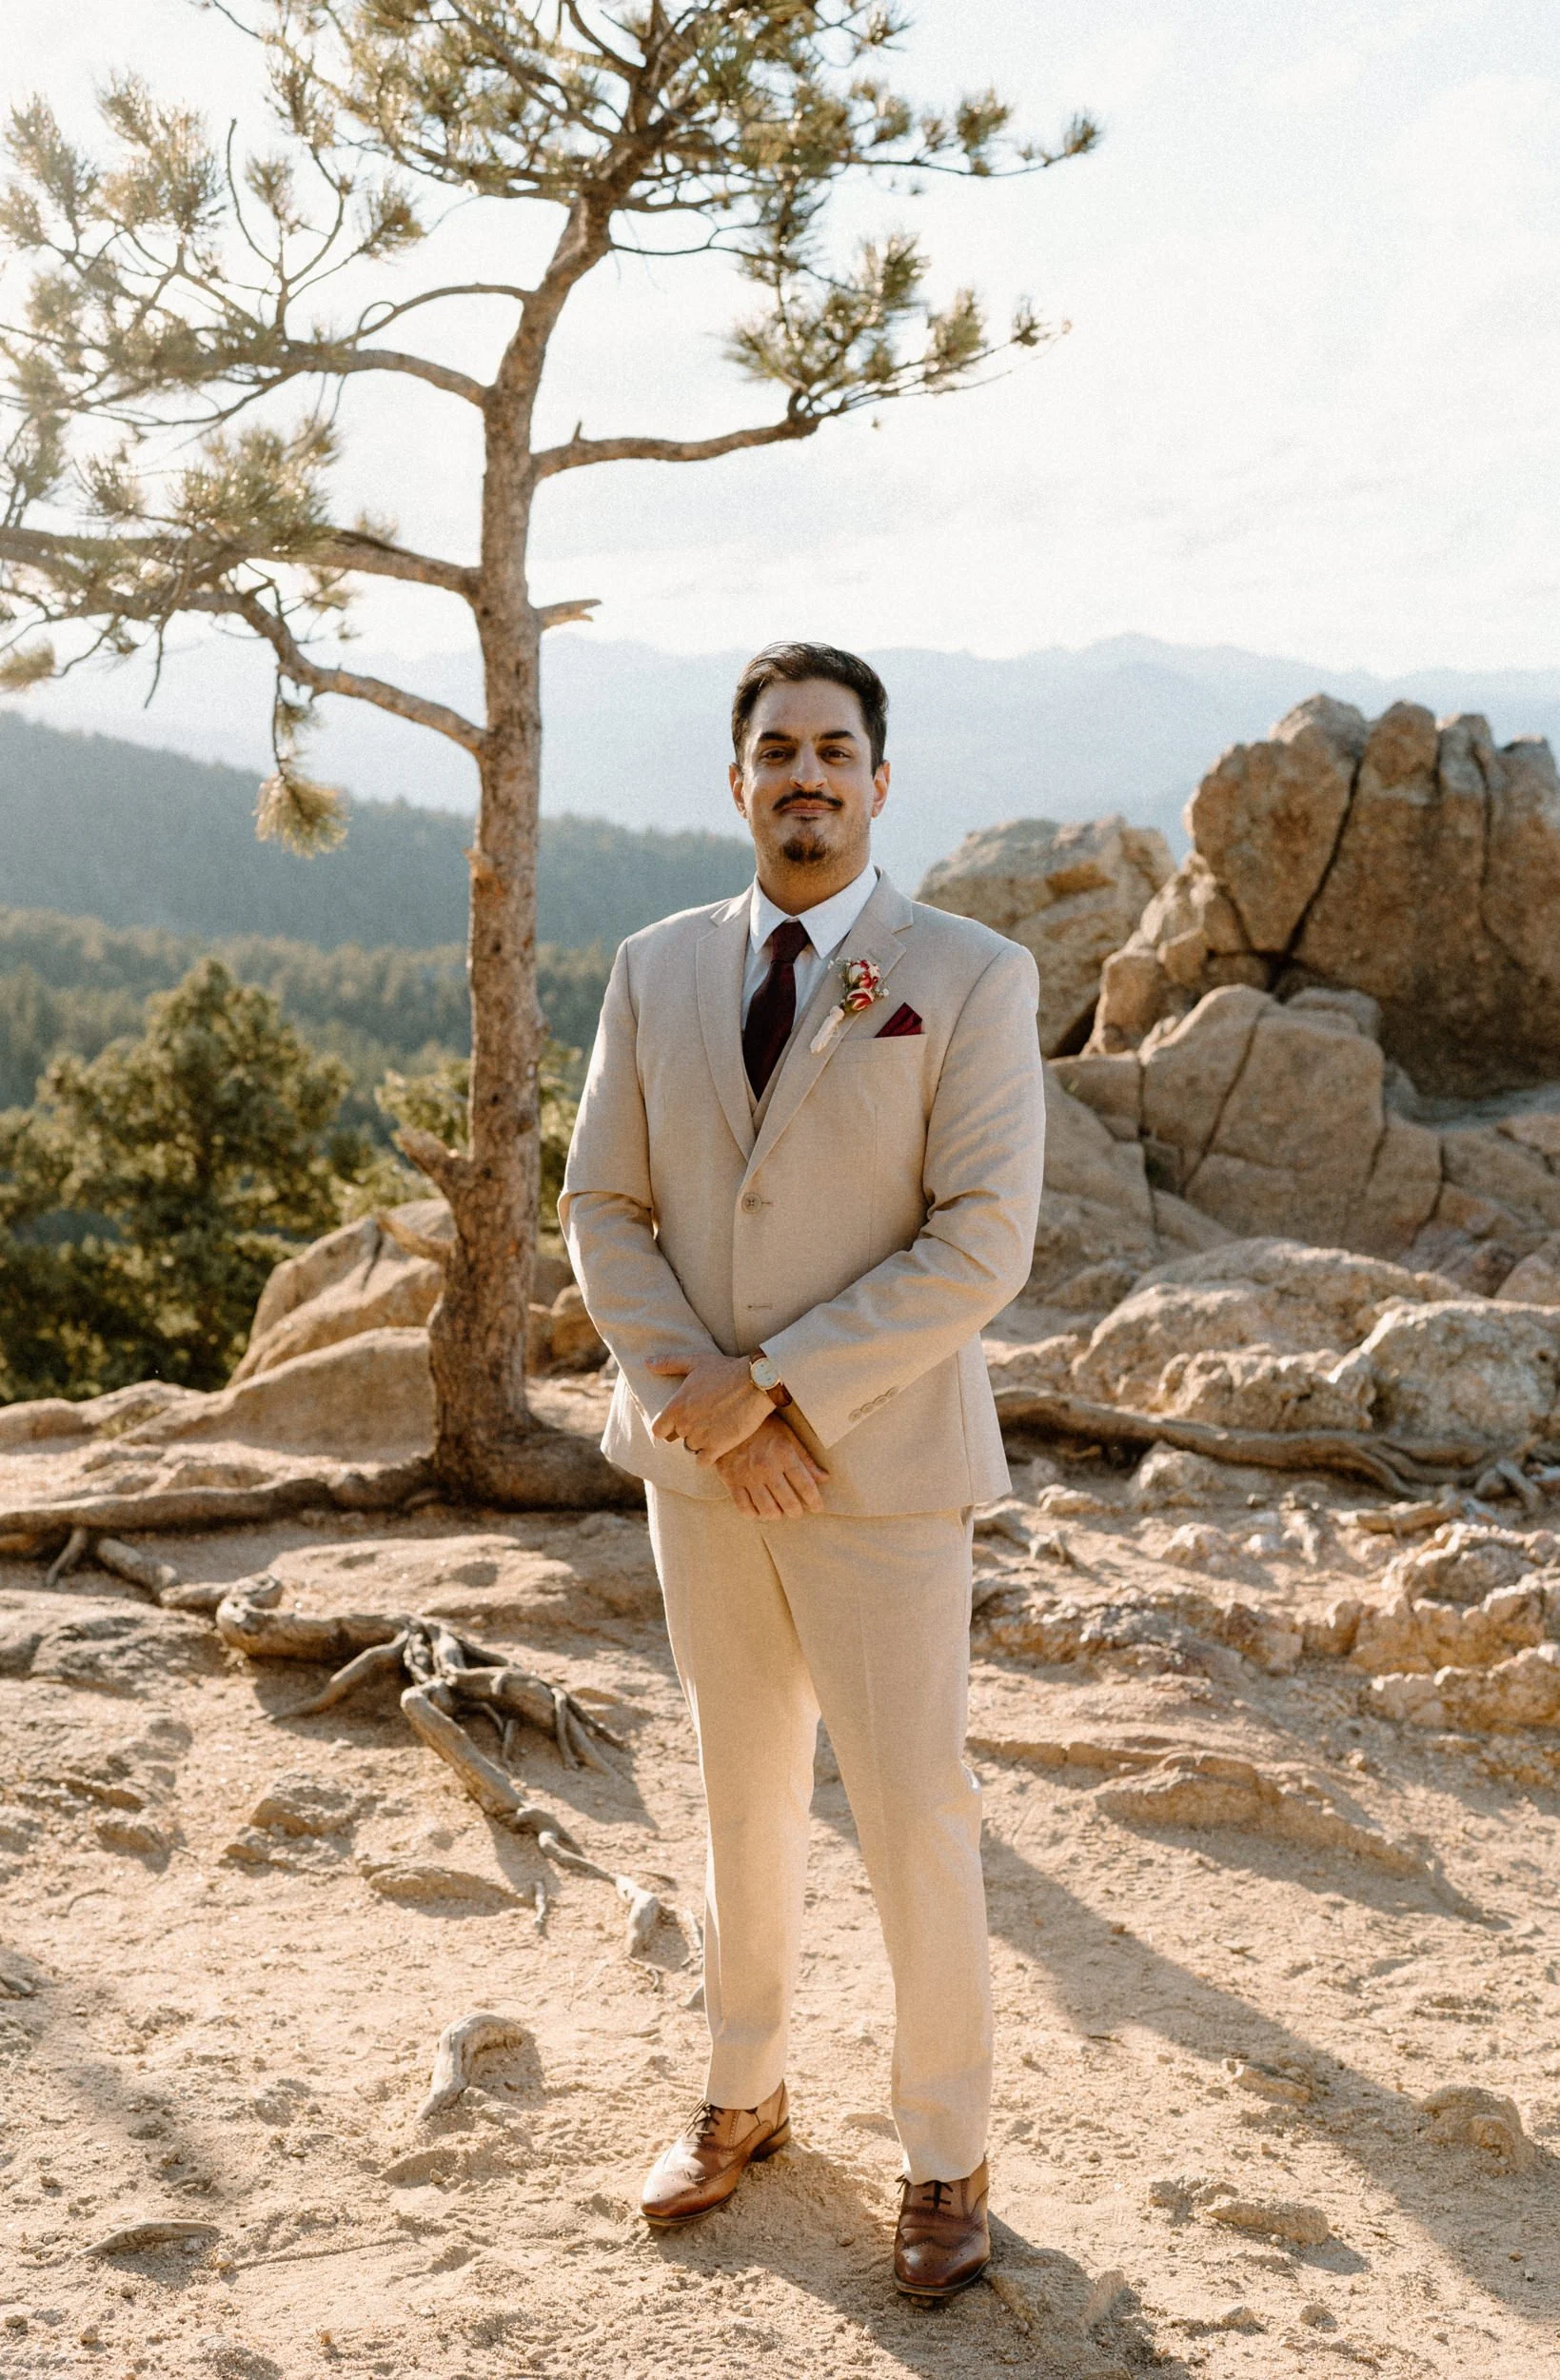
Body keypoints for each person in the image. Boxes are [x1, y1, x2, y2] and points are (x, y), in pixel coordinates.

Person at [559, 640, 1046, 2303]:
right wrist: (698, 1399)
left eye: (836, 749)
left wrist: (774, 1392)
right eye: (776, 749)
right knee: (739, 1793)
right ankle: (742, 2093)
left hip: (881, 1467)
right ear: (737, 779)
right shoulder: (654, 965)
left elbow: (983, 1242)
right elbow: (600, 1207)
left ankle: (943, 2154)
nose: (806, 775)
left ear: (881, 781)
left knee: (914, 1811)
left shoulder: (970, 976)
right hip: (699, 1472)